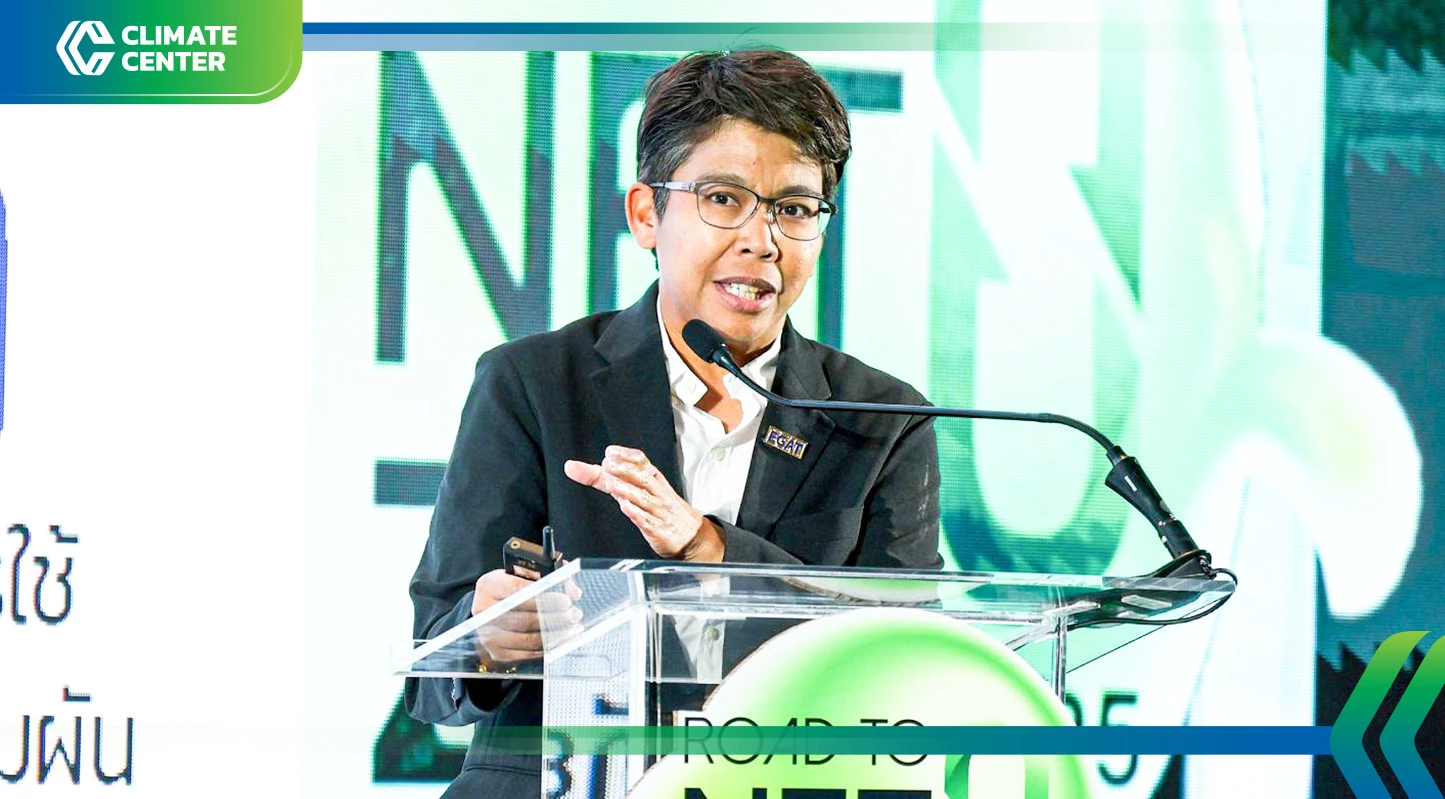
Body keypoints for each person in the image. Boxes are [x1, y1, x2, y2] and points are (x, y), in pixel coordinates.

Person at [405, 48, 943, 798]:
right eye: (723, 198)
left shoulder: (881, 422)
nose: (762, 239)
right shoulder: (532, 384)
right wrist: (488, 639)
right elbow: (432, 674)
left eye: (794, 208)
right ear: (645, 214)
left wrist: (709, 549)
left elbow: (899, 663)